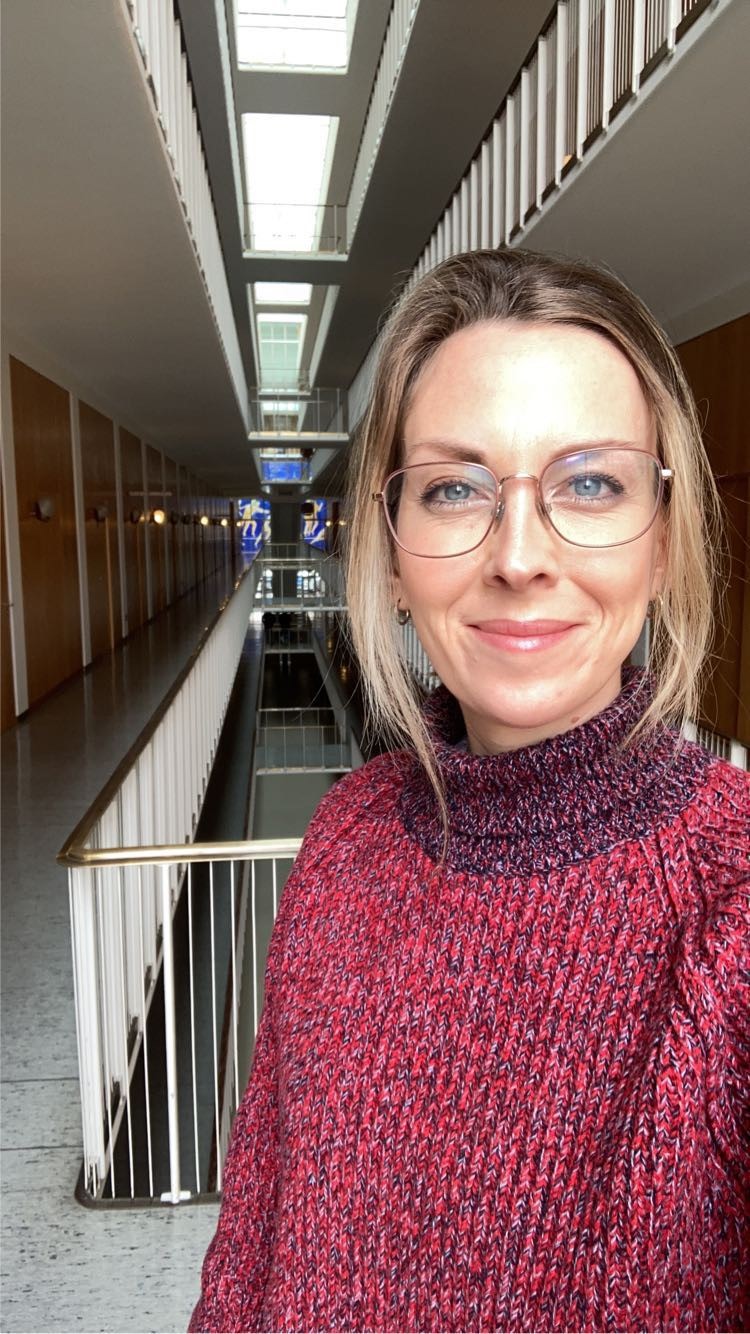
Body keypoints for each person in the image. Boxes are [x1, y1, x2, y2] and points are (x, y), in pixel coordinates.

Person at [190, 249, 749, 1333]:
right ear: (396, 555)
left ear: (663, 541)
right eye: (455, 488)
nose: (519, 556)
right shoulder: (348, 834)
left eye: (591, 482)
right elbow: (255, 1238)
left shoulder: (729, 912)